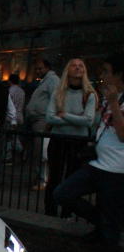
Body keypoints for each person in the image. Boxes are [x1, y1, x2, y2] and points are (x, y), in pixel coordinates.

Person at [54, 53, 124, 252]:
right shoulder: (109, 97)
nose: (102, 76)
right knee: (63, 193)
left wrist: (114, 103)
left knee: (109, 231)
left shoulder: (117, 99)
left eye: (106, 71)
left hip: (117, 171)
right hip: (99, 164)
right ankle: (101, 222)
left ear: (119, 75)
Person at [44, 58, 97, 217]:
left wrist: (64, 115)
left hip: (78, 142)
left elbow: (88, 120)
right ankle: (50, 212)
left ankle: (66, 214)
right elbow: (50, 117)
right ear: (68, 69)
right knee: (54, 177)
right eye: (74, 65)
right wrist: (76, 118)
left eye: (81, 65)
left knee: (72, 178)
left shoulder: (89, 95)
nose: (77, 68)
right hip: (58, 140)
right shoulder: (58, 92)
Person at [25, 59, 60, 190]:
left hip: (43, 120)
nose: (38, 71)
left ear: (47, 68)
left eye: (41, 68)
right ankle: (40, 178)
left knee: (41, 152)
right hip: (37, 120)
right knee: (38, 152)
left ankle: (43, 180)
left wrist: (50, 120)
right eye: (37, 69)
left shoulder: (52, 80)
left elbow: (55, 99)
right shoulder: (43, 81)